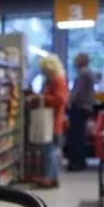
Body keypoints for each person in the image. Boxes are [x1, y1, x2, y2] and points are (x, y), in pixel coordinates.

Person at [32, 55, 68, 188]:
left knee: (49, 150)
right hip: (53, 120)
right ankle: (52, 177)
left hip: (53, 121)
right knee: (50, 150)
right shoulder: (53, 80)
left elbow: (60, 99)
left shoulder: (57, 80)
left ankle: (49, 177)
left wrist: (42, 97)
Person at [66, 53, 96, 171]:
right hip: (86, 107)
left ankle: (77, 162)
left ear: (81, 61)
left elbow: (77, 91)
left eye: (76, 59)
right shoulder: (89, 72)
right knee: (80, 134)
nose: (74, 61)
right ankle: (80, 160)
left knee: (75, 135)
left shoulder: (83, 74)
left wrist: (68, 102)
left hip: (79, 107)